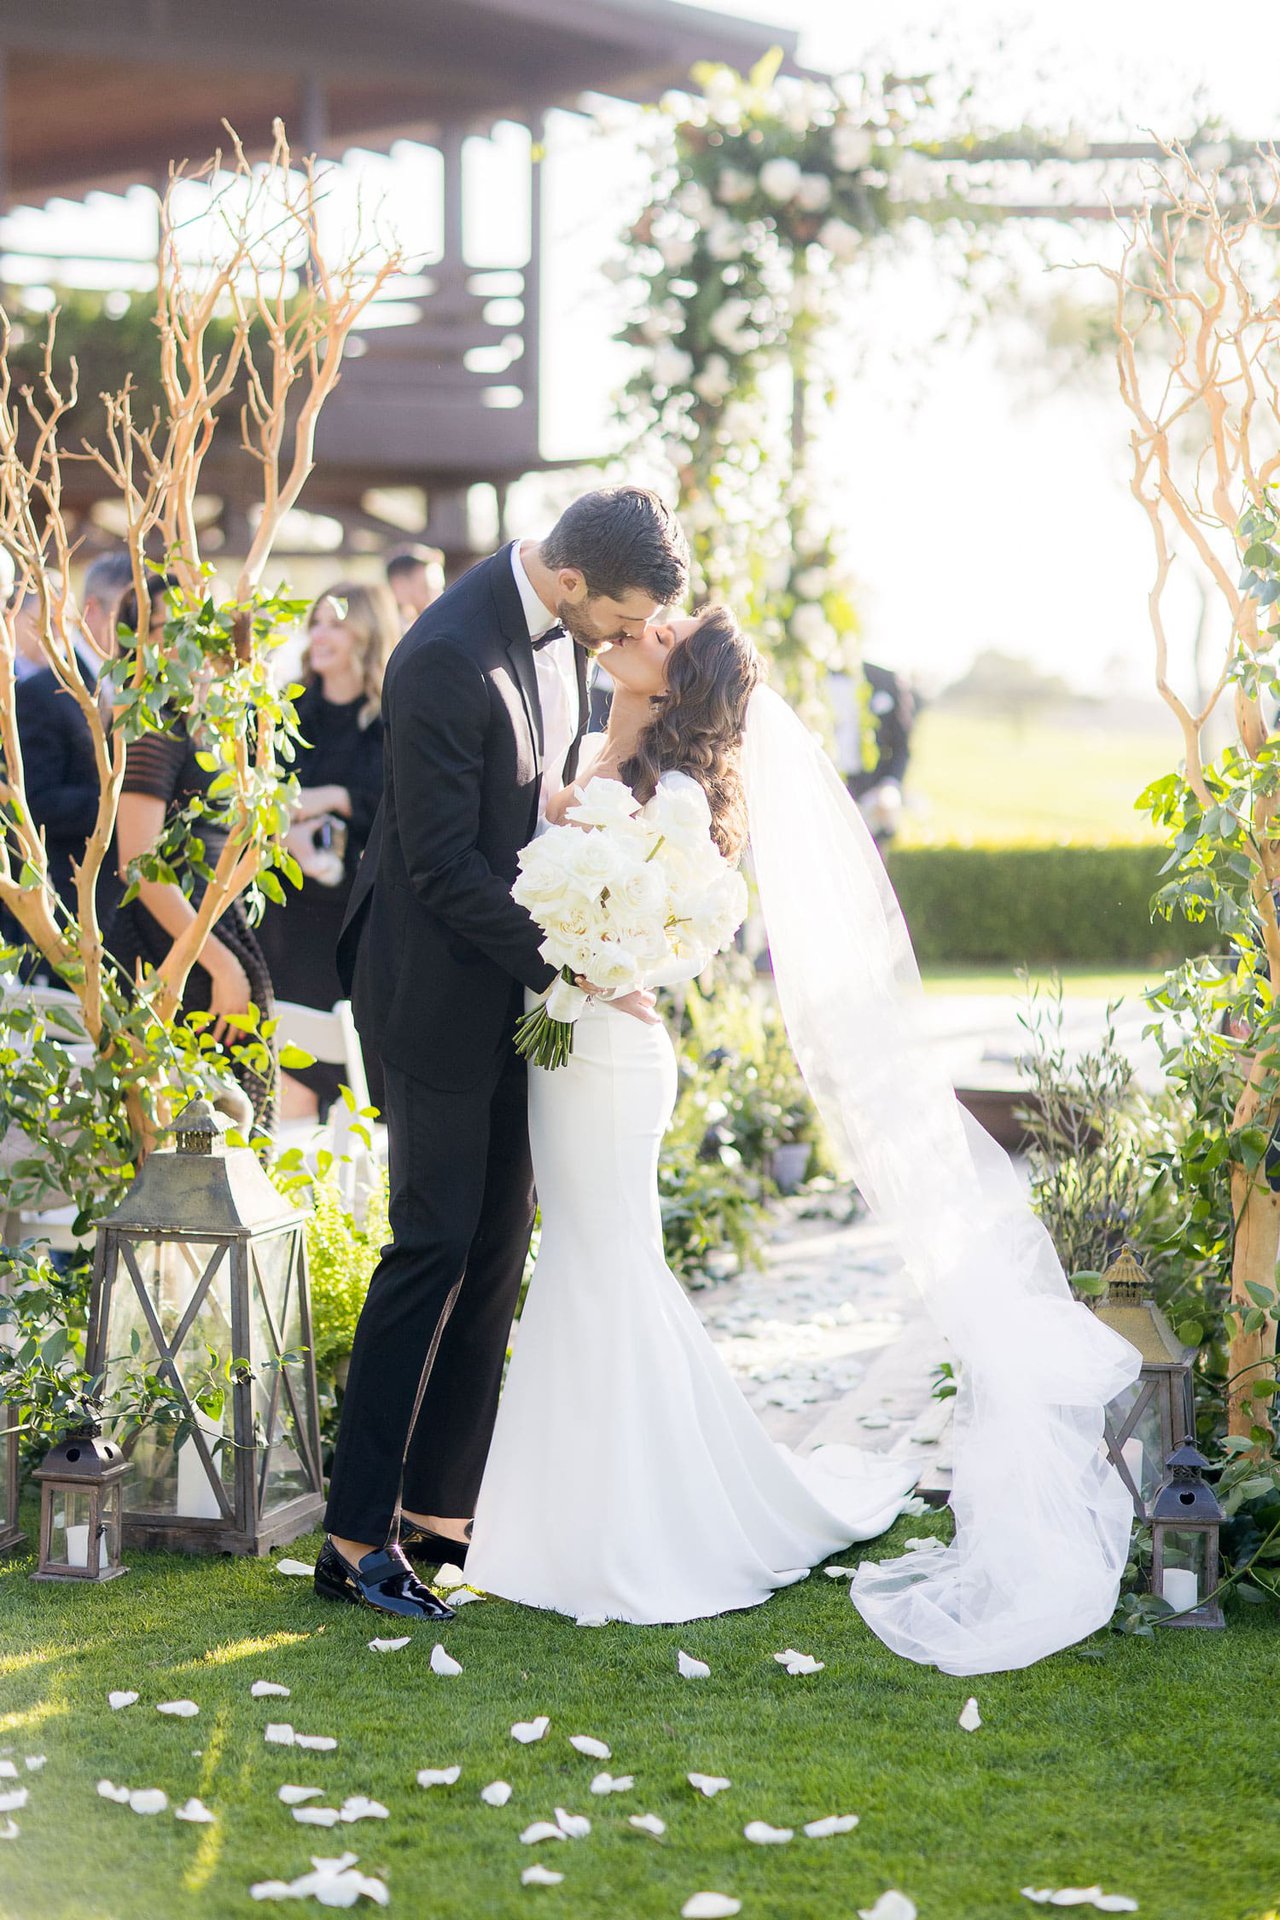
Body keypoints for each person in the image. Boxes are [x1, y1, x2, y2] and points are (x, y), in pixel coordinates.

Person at [463, 608, 1141, 1670]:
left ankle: (631, 1529)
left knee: (604, 1269)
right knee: (588, 1267)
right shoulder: (598, 745)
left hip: (609, 1050)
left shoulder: (674, 797)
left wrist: (606, 959)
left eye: (664, 629)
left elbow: (669, 929)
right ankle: (566, 1524)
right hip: (569, 1043)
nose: (642, 625)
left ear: (677, 680)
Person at [315, 485, 688, 1620]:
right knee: (429, 1246)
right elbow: (439, 868)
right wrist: (577, 967)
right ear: (571, 581)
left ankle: (442, 1514)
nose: (632, 639)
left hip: (510, 990)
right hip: (430, 992)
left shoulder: (567, 635)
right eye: (625, 618)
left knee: (493, 1249)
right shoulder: (441, 658)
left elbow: (532, 818)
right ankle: (352, 1537)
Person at [110, 573, 276, 1129]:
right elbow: (138, 865)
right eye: (164, 628)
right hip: (173, 945)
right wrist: (220, 963)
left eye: (196, 626)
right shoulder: (154, 722)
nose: (183, 642)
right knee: (192, 1136)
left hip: (214, 928)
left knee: (235, 1131)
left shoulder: (220, 717)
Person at [257, 581, 398, 1119]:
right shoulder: (288, 708)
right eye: (315, 623)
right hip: (292, 913)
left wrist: (337, 798)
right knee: (293, 1065)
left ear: (366, 633)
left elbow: (399, 804)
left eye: (334, 624)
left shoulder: (391, 715)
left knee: (361, 1075)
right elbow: (257, 795)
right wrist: (289, 826)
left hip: (361, 915)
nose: (318, 635)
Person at [13, 575, 118, 924]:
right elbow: (35, 800)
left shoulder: (132, 686)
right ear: (93, 611)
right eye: (126, 614)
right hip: (73, 892)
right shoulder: (44, 691)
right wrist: (121, 806)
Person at [385, 545, 445, 631]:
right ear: (400, 587)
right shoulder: (390, 632)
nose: (439, 595)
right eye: (426, 588)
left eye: (439, 588)